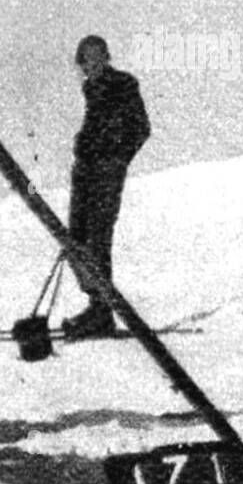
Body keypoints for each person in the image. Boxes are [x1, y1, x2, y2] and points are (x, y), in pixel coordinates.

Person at [61, 35, 150, 340]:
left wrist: (117, 159)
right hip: (85, 172)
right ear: (82, 64)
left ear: (107, 57)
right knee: (75, 238)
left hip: (105, 172)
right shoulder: (91, 89)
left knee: (97, 237)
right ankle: (97, 305)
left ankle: (101, 311)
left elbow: (141, 128)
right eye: (86, 59)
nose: (92, 63)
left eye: (98, 56)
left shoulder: (123, 84)